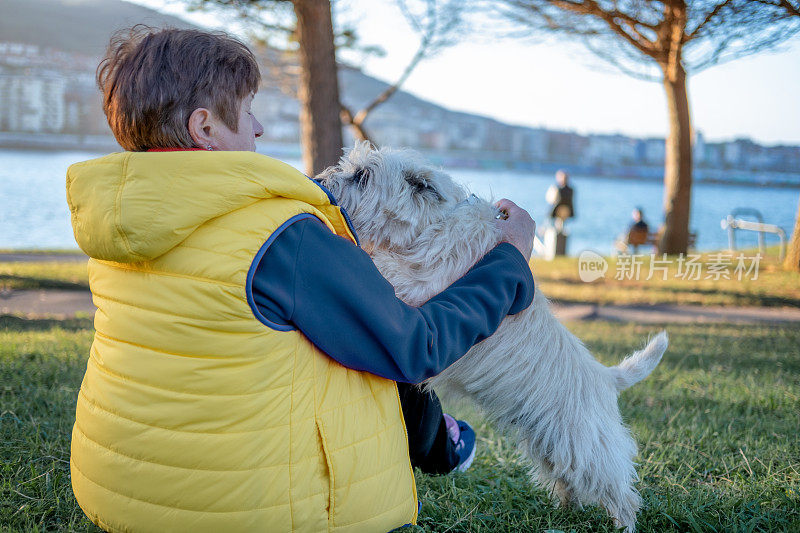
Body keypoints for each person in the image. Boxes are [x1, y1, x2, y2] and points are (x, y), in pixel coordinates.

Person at [66, 27, 536, 532]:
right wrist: (509, 261)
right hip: (240, 515)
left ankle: (441, 439)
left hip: (114, 493)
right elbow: (416, 347)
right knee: (376, 341)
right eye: (247, 111)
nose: (261, 128)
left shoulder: (119, 225)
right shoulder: (282, 236)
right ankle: (444, 441)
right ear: (203, 127)